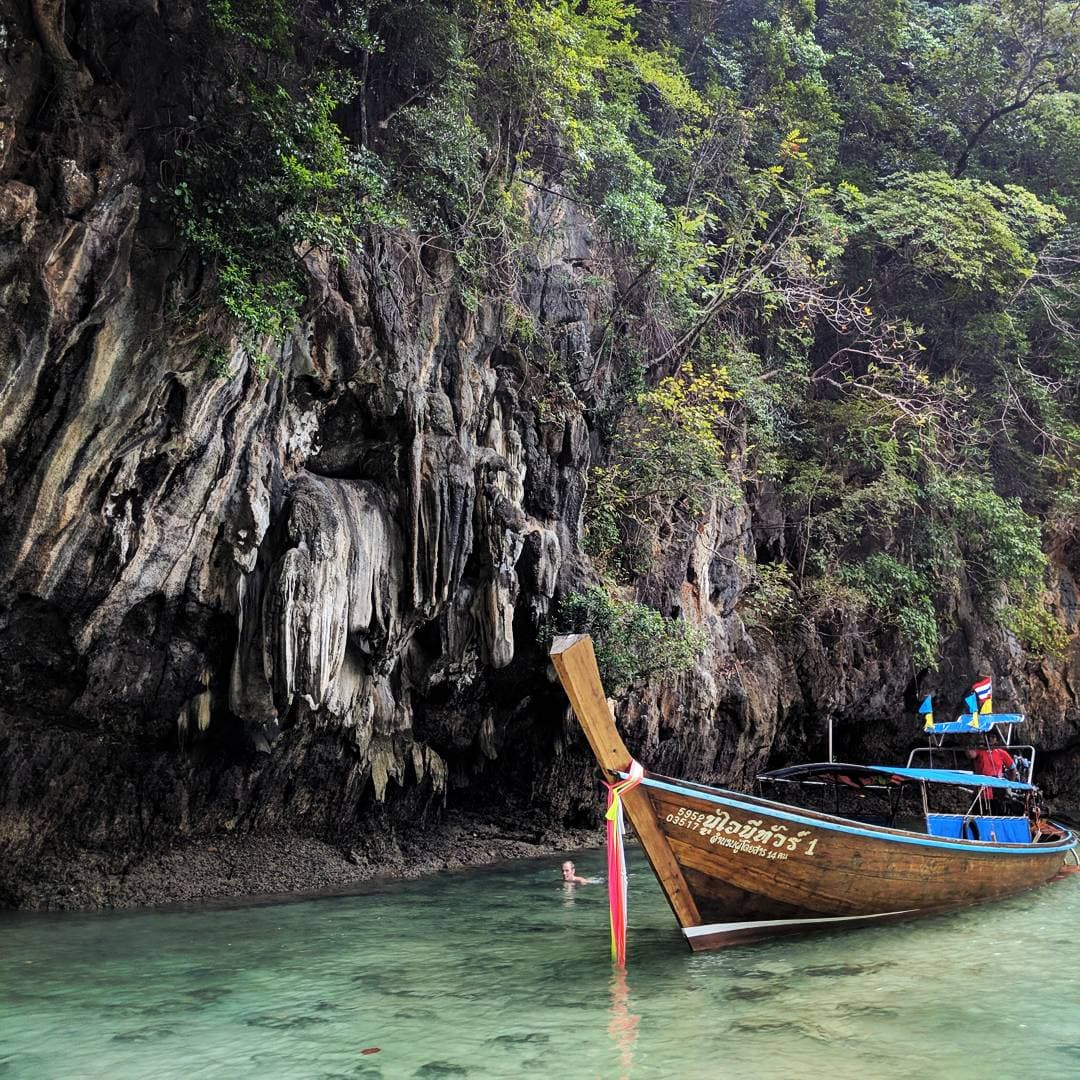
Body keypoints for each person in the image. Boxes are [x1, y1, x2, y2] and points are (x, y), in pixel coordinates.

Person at [965, 736, 1018, 812]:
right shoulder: (980, 750)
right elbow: (970, 754)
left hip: (997, 793)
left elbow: (1013, 769)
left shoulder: (1001, 752)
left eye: (993, 737)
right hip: (980, 792)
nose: (990, 739)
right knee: (978, 813)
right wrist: (969, 746)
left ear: (996, 740)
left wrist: (1009, 786)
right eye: (988, 736)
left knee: (996, 813)